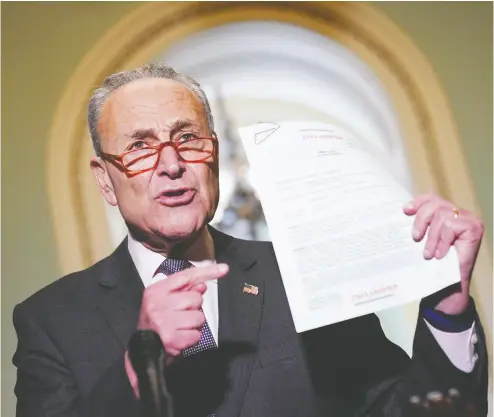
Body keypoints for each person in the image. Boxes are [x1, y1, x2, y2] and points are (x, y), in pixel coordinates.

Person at [13, 63, 488, 417]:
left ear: (214, 156)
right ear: (104, 180)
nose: (172, 163)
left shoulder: (298, 270)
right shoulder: (51, 320)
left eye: (188, 138)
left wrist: (446, 307)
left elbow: (405, 409)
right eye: (139, 147)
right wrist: (140, 367)